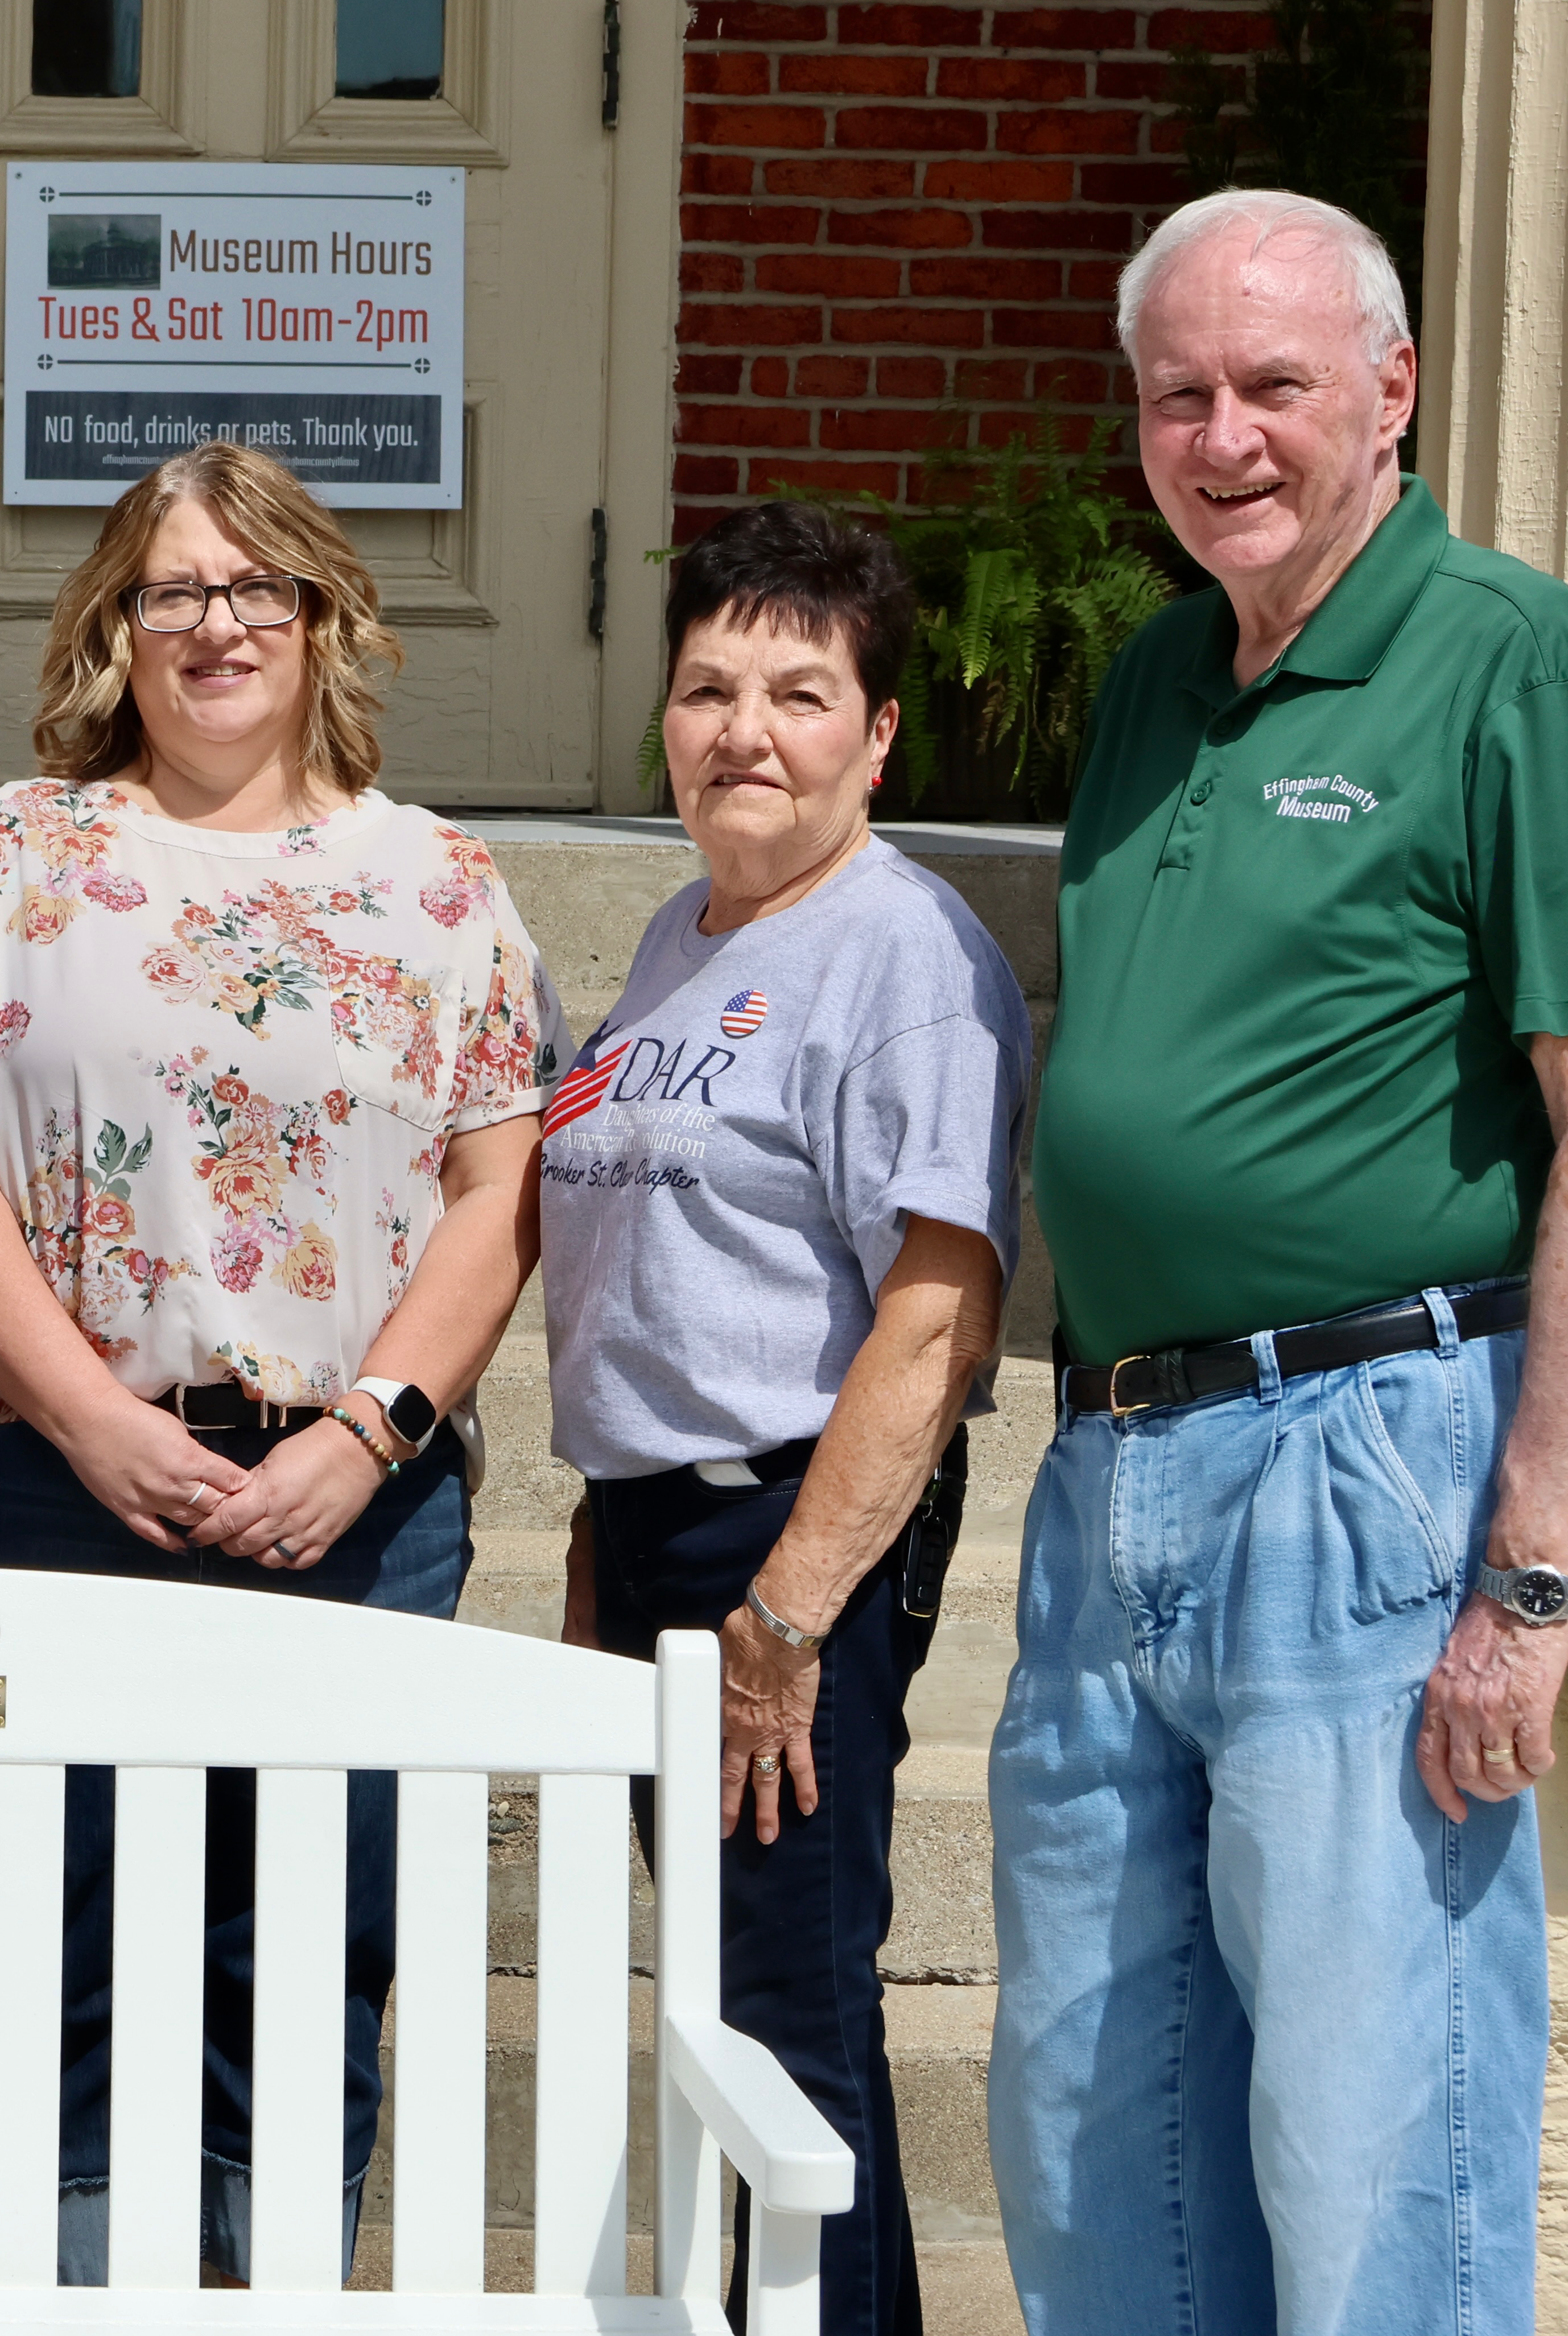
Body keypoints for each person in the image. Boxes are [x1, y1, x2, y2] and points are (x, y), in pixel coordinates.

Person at [0, 440, 555, 2283]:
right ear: (115, 621)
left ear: (325, 618)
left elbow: (497, 1189)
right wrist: (87, 1420)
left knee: (318, 1925)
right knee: (79, 1915)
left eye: (259, 589)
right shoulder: (9, 855)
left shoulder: (439, 887)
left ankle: (280, 2283)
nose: (218, 626)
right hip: (55, 1474)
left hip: (356, 1499)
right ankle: (87, 2283)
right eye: (176, 590)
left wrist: (370, 1428)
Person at [991, 187, 1568, 2336]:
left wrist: (1527, 1566)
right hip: (1115, 1467)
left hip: (1375, 1467)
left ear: (1394, 390)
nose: (1219, 438)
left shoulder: (1510, 659)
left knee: (1365, 2154)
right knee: (1090, 2141)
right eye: (1176, 395)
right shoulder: (1157, 675)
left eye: (1273, 387)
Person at [544, 499, 1026, 2336]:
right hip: (662, 1528)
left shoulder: (898, 952)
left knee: (790, 2015)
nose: (744, 730)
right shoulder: (681, 926)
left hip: (788, 1544)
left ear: (878, 733)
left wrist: (781, 1618)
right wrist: (605, 1543)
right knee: (728, 2006)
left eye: (799, 693)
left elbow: (934, 1312)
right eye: (707, 688)